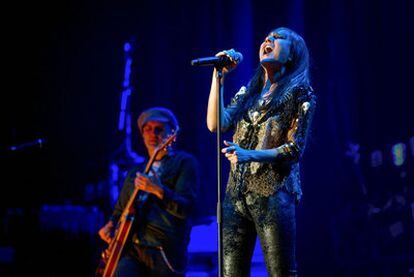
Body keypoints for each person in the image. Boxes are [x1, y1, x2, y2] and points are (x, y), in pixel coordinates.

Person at [206, 27, 316, 276]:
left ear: (292, 55)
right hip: (236, 194)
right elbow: (216, 124)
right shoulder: (250, 92)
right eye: (267, 37)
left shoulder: (300, 94)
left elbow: (294, 149)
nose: (269, 40)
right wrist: (218, 77)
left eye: (278, 38)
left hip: (273, 192)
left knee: (281, 271)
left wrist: (248, 154)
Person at [98, 107, 199, 276]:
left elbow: (186, 209)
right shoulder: (135, 172)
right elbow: (120, 210)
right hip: (131, 247)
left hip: (163, 249)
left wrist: (158, 189)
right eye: (148, 129)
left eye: (159, 129)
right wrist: (110, 225)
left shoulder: (184, 163)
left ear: (171, 135)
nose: (153, 134)